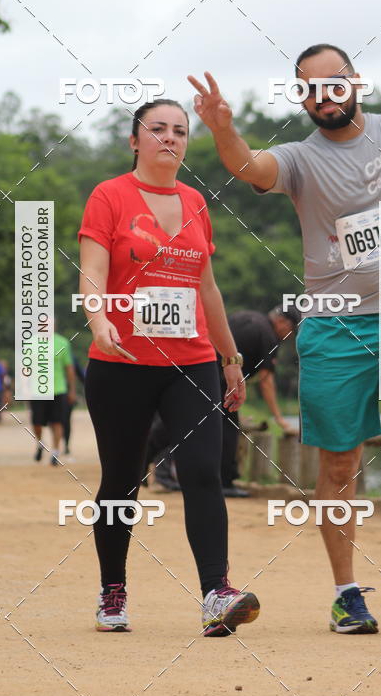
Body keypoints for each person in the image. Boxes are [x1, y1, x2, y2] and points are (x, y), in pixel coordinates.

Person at [189, 4, 381, 633]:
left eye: (336, 82)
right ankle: (347, 592)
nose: (327, 94)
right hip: (336, 324)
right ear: (304, 97)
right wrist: (220, 130)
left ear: (355, 83)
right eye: (313, 88)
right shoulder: (299, 158)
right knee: (340, 463)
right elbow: (247, 166)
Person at [78, 98, 260, 636]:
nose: (169, 139)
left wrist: (231, 358)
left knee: (204, 472)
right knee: (122, 478)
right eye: (156, 129)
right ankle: (113, 589)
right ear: (134, 140)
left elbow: (206, 288)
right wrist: (98, 320)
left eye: (179, 131)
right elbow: (92, 272)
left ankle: (215, 594)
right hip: (122, 362)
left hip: (192, 361)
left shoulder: (196, 202)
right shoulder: (108, 196)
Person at [219, 305, 301, 496]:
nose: (290, 335)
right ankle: (224, 482)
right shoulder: (268, 335)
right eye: (291, 330)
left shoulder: (249, 316)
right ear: (282, 322)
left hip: (207, 370)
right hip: (220, 378)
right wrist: (278, 417)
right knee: (228, 428)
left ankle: (165, 472)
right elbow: (267, 381)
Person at [31, 333, 76, 465]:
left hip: (58, 389)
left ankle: (55, 451)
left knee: (57, 421)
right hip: (37, 390)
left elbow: (69, 368)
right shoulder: (30, 342)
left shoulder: (62, 342)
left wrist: (72, 390)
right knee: (37, 423)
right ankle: (40, 444)